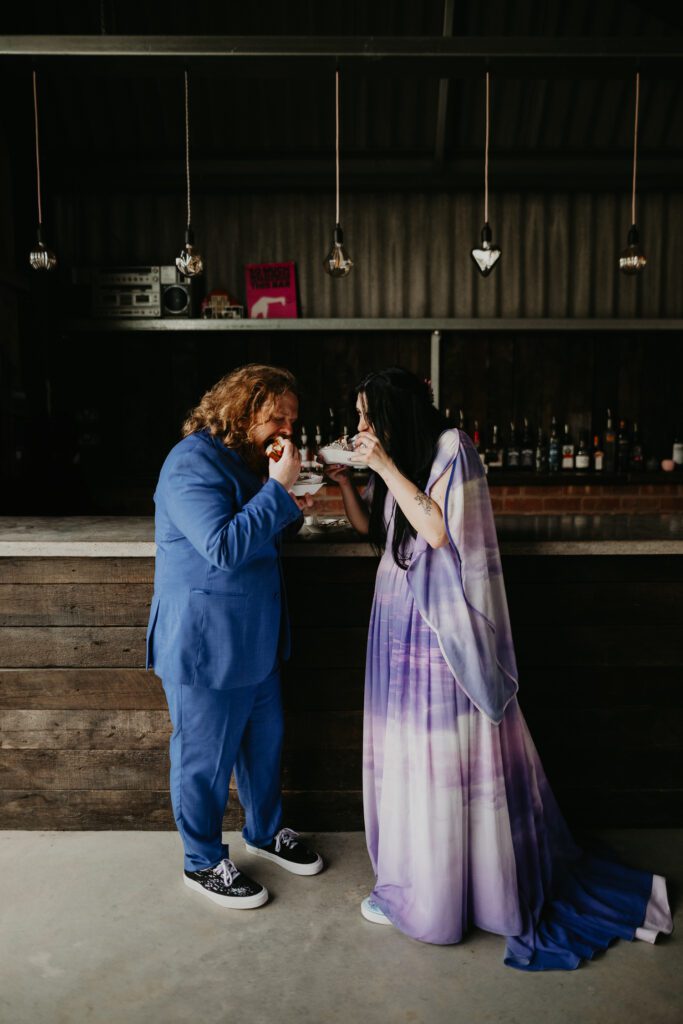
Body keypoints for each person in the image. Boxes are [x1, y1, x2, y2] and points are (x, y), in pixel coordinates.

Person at [325, 366, 673, 969]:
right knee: (406, 752)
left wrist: (380, 465)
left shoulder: (451, 448)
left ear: (395, 413)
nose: (360, 427)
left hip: (440, 635)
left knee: (443, 756)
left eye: (366, 414)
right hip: (396, 623)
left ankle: (448, 892)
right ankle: (416, 872)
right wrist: (346, 484)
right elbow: (374, 533)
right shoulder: (404, 461)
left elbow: (435, 531)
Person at [146, 364, 323, 910]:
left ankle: (264, 833)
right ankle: (201, 862)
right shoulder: (190, 463)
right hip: (206, 644)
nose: (286, 431)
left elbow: (259, 524)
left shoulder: (244, 458)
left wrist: (291, 506)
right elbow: (222, 546)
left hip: (258, 639)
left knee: (262, 752)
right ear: (242, 411)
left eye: (292, 420)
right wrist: (278, 492)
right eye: (277, 419)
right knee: (203, 760)